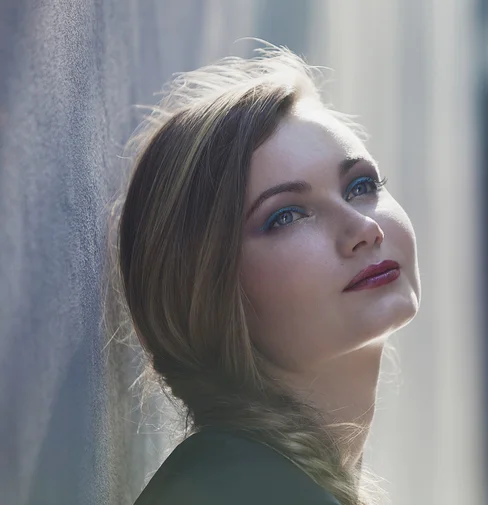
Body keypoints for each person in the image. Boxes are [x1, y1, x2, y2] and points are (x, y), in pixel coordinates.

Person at [106, 43, 421, 505]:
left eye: (361, 185)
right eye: (287, 215)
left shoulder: (253, 477)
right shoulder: (235, 489)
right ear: (205, 284)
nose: (363, 229)